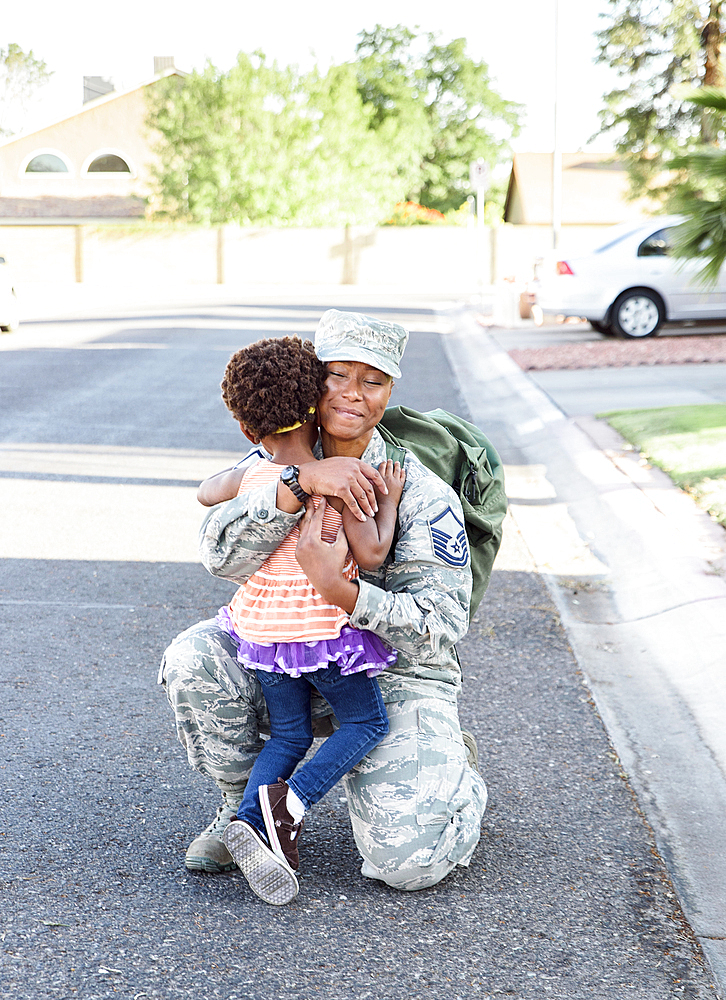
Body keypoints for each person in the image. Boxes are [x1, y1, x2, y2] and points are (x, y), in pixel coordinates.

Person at [159, 308, 488, 892]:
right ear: (313, 383)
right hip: (283, 653)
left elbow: (440, 628)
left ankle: (451, 768)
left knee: (406, 865)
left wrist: (346, 593)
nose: (353, 394)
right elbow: (219, 555)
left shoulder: (413, 488)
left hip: (391, 672)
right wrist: (296, 485)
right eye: (338, 375)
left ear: (390, 392)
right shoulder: (273, 465)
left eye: (374, 380)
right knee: (192, 658)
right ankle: (249, 816)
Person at [196, 335, 405, 905]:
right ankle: (291, 805)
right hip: (319, 633)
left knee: (287, 734)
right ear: (316, 406)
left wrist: (248, 474)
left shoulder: (251, 478)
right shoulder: (339, 477)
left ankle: (246, 823)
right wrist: (386, 498)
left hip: (261, 635)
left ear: (246, 431)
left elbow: (203, 492)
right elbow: (372, 555)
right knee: (365, 724)